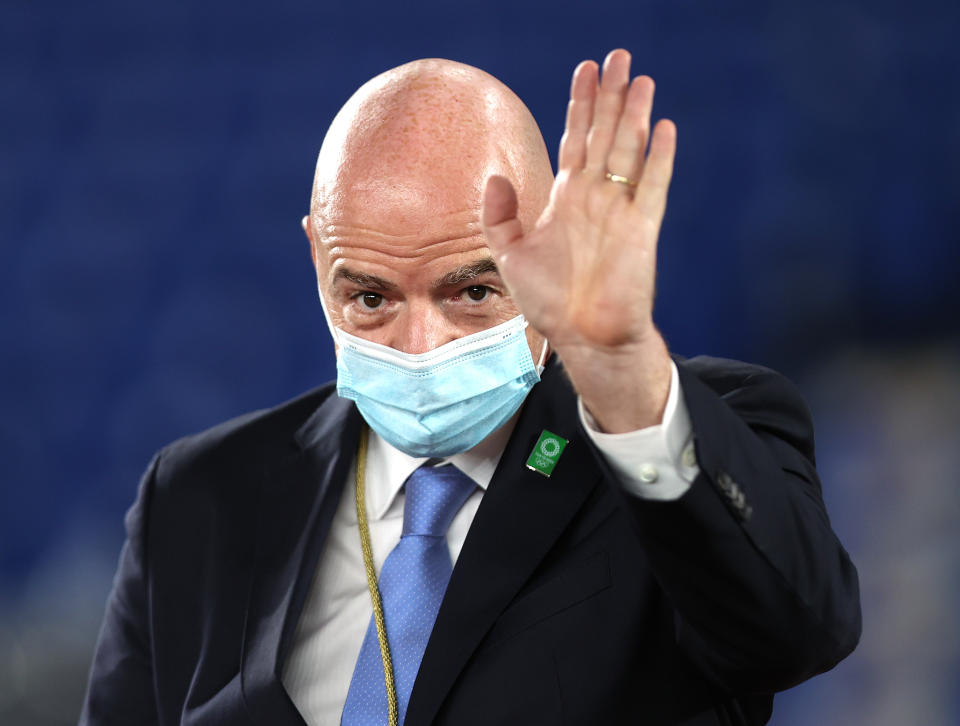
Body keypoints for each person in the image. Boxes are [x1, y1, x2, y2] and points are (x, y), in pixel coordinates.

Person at [80, 50, 861, 726]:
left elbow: (798, 629)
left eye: (472, 292)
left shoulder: (681, 432)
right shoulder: (196, 497)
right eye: (372, 298)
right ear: (319, 255)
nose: (421, 348)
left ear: (539, 249)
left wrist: (624, 369)